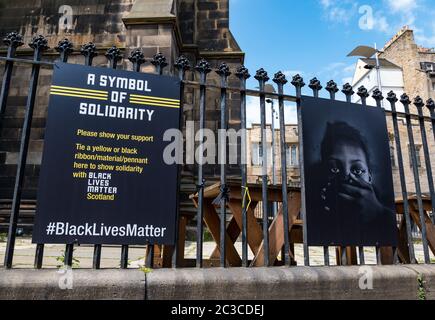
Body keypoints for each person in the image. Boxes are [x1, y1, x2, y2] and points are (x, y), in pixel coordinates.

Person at [308, 121, 396, 245]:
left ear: (369, 176)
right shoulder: (315, 216)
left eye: (358, 170)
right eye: (334, 168)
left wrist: (378, 213)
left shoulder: (384, 213)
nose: (345, 177)